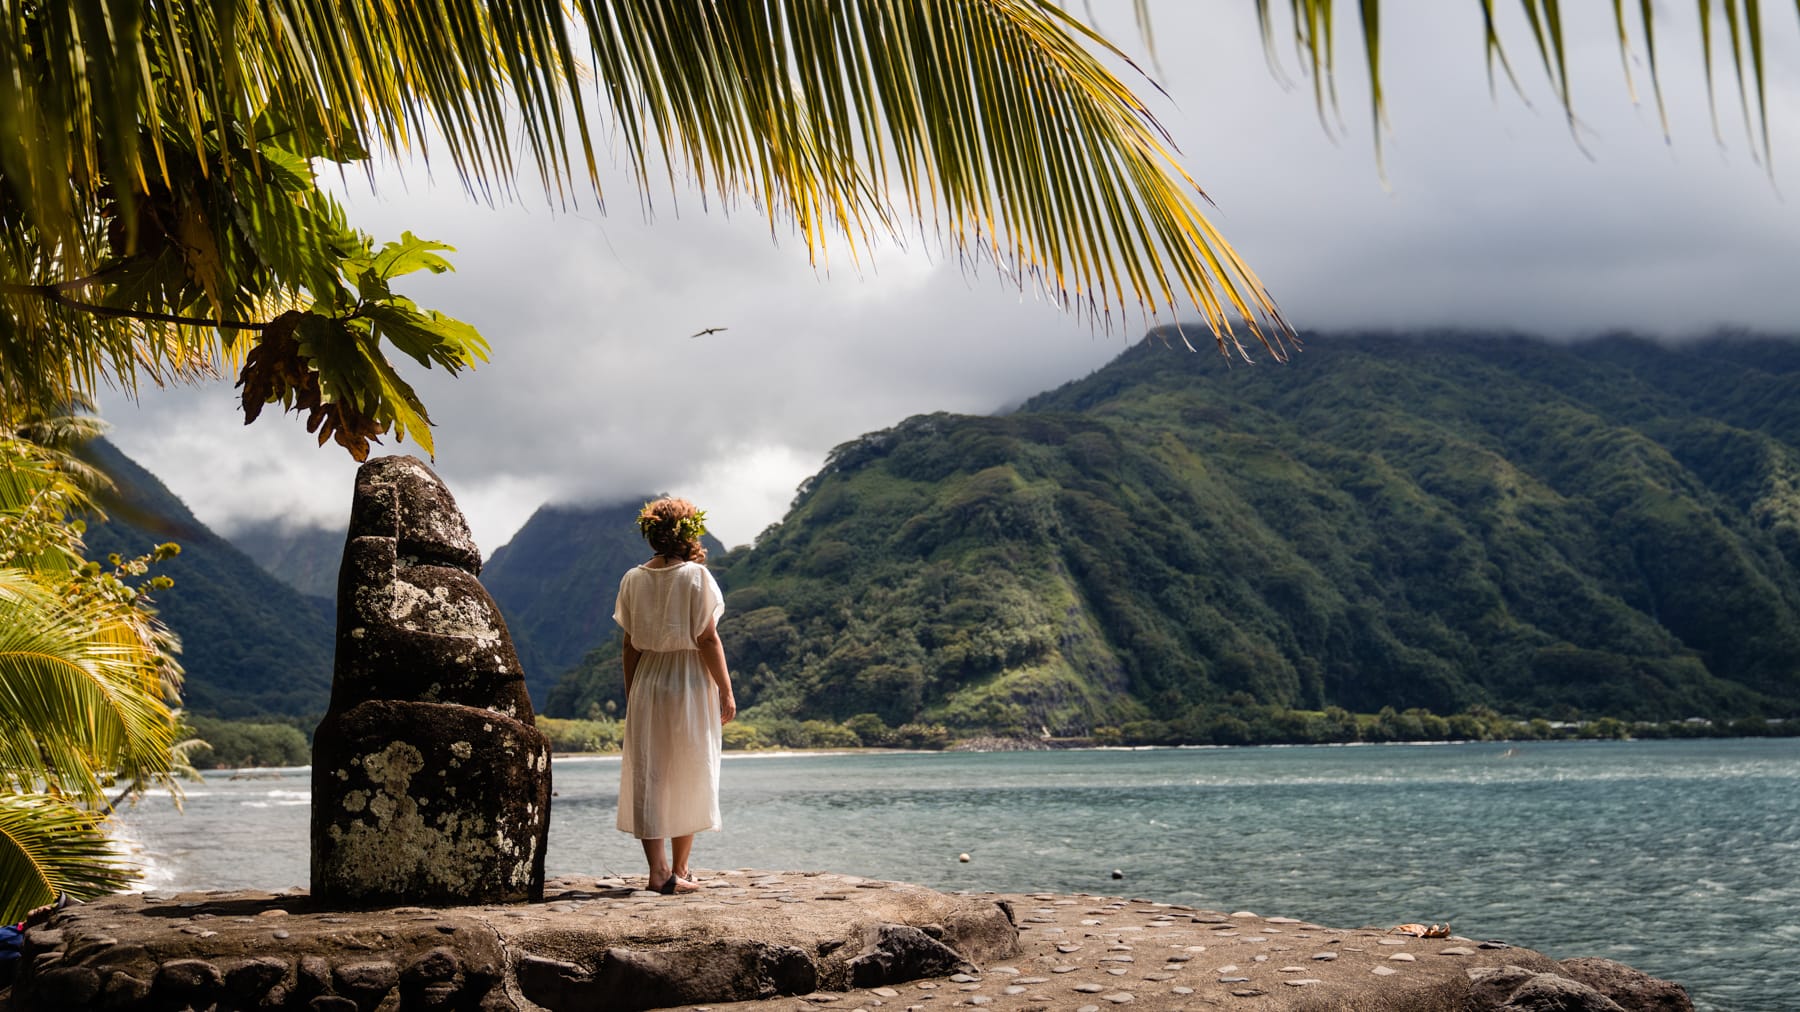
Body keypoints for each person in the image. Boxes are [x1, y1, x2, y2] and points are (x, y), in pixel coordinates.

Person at [613, 497, 736, 895]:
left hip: (648, 678)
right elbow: (707, 638)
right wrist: (726, 689)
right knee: (690, 768)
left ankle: (660, 871)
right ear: (689, 533)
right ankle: (680, 869)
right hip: (689, 679)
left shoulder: (632, 578)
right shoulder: (696, 576)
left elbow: (629, 644)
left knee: (650, 773)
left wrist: (632, 691)